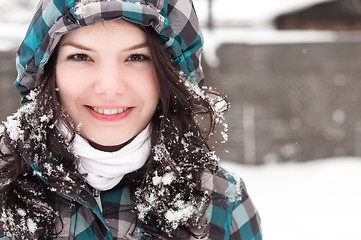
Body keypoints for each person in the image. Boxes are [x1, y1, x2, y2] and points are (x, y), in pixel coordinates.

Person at [0, 0, 262, 239]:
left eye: (137, 57)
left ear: (172, 75)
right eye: (80, 56)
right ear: (46, 72)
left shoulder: (221, 205)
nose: (110, 87)